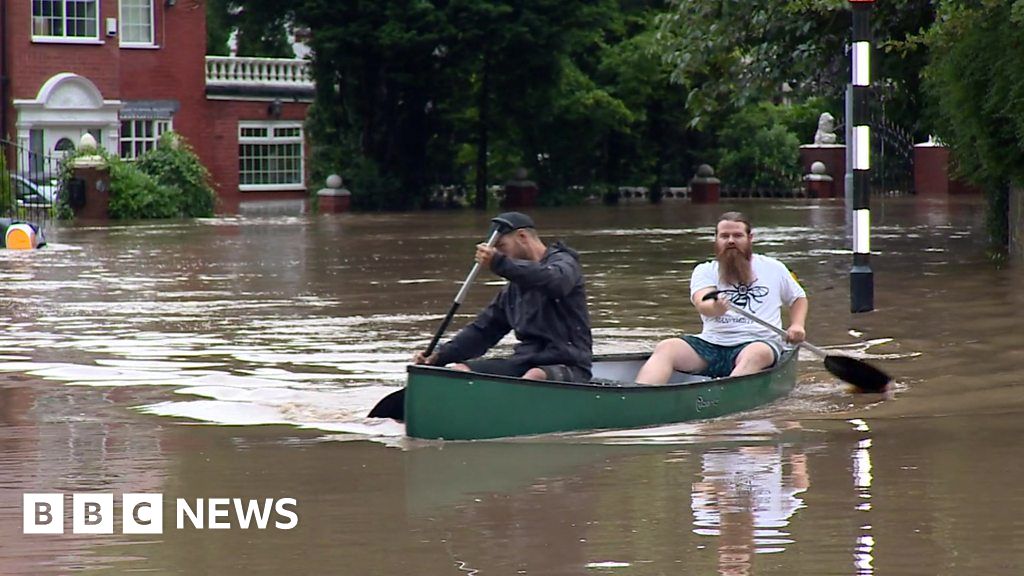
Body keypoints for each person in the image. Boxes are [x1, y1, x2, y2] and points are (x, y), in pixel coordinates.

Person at [413, 211, 593, 383]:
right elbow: (482, 331)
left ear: (522, 237)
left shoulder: (564, 264)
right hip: (525, 360)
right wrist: (440, 356)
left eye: (501, 247)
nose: (500, 254)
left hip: (570, 365)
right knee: (461, 371)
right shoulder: (512, 291)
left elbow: (554, 282)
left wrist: (499, 263)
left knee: (535, 376)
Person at [636, 211, 807, 384]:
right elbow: (703, 301)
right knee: (666, 347)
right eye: (724, 236)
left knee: (755, 353)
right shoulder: (704, 270)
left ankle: (726, 398)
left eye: (738, 235)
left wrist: (797, 325)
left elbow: (798, 298)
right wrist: (715, 308)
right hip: (712, 344)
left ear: (750, 238)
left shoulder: (774, 268)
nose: (731, 241)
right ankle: (640, 396)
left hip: (758, 342)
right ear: (716, 240)